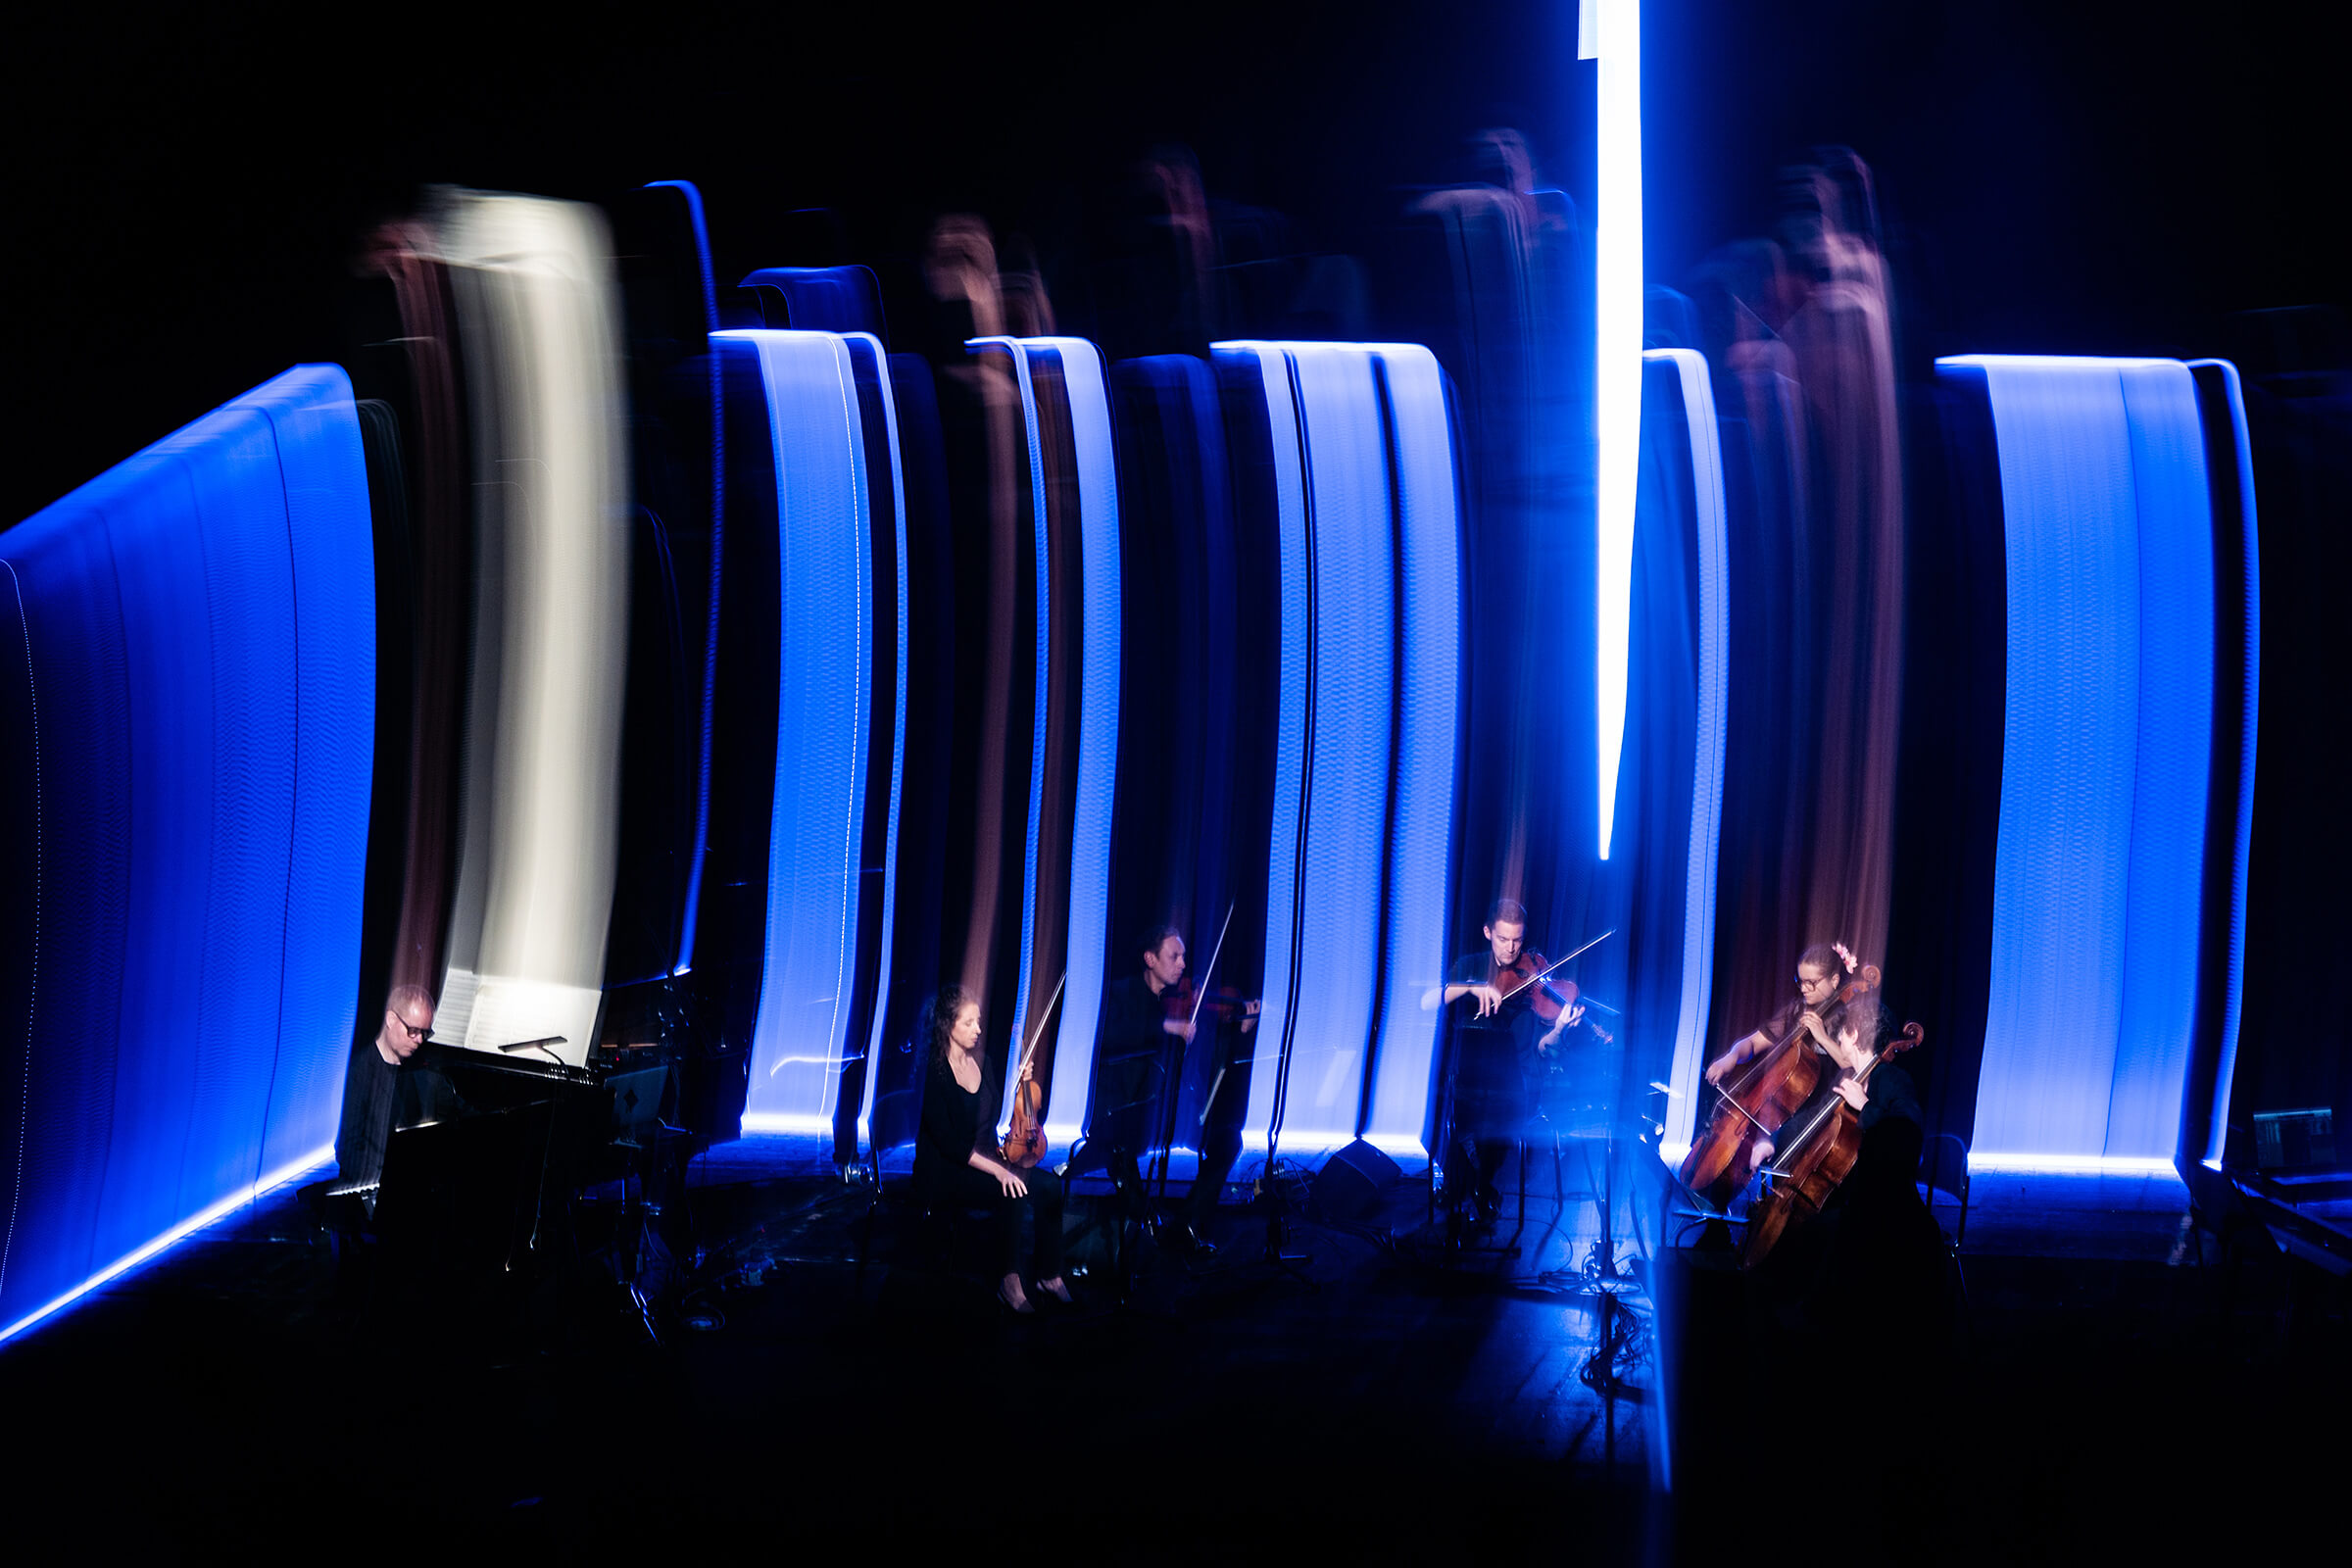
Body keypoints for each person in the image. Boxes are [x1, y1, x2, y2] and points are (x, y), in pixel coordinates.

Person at [1421, 898, 1581, 1224]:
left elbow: (1544, 1050)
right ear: (1487, 932)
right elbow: (1426, 1001)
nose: (1511, 949)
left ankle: (1477, 1184)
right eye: (1503, 939)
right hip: (1465, 1078)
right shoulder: (1470, 966)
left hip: (1515, 1084)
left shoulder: (1534, 980)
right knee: (1433, 1111)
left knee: (1497, 1114)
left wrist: (1559, 1030)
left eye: (1517, 940)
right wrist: (1470, 988)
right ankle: (1468, 1182)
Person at [914, 985, 1071, 1314]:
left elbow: (992, 1114)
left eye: (979, 1022)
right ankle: (1009, 1281)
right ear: (947, 1024)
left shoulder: (982, 1062)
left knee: (1050, 1186)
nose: (978, 1029)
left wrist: (1020, 1083)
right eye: (969, 1023)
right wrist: (1000, 1169)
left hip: (983, 1158)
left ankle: (1050, 1274)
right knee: (1012, 1189)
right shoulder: (932, 1073)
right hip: (946, 1170)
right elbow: (950, 1143)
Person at [1093, 924, 1200, 1244]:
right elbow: (1109, 1039)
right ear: (1150, 959)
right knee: (1123, 1158)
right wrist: (1165, 1025)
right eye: (1175, 956)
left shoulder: (1169, 1002)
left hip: (1152, 1104)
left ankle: (1169, 1225)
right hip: (1116, 1103)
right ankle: (1145, 1228)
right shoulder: (1121, 992)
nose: (1183, 963)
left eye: (1183, 956)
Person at [332, 984, 435, 1189]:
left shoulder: (420, 1069)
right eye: (413, 1031)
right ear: (390, 1020)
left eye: (425, 1032)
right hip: (375, 1187)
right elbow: (348, 1147)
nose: (419, 1040)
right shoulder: (357, 1072)